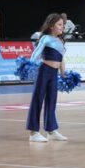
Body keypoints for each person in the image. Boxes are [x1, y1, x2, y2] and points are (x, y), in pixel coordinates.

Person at [25, 14, 69, 142]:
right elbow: (36, 53)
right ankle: (33, 133)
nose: (62, 27)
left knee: (52, 101)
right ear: (51, 26)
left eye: (63, 25)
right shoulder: (45, 38)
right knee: (38, 99)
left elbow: (62, 58)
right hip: (44, 72)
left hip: (54, 74)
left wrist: (64, 73)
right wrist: (30, 65)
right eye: (59, 25)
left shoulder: (61, 40)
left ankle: (51, 130)